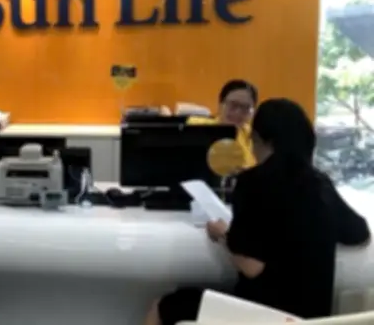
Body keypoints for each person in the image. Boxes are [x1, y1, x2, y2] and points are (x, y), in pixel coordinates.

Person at [146, 98, 370, 325]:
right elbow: (359, 233)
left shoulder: (252, 183)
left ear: (262, 139)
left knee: (165, 305)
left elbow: (251, 267)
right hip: (312, 319)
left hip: (262, 316)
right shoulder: (321, 184)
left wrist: (222, 233)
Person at [187, 79, 258, 168]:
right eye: (233, 105)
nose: (238, 113)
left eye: (245, 108)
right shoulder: (198, 127)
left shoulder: (253, 135)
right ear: (220, 105)